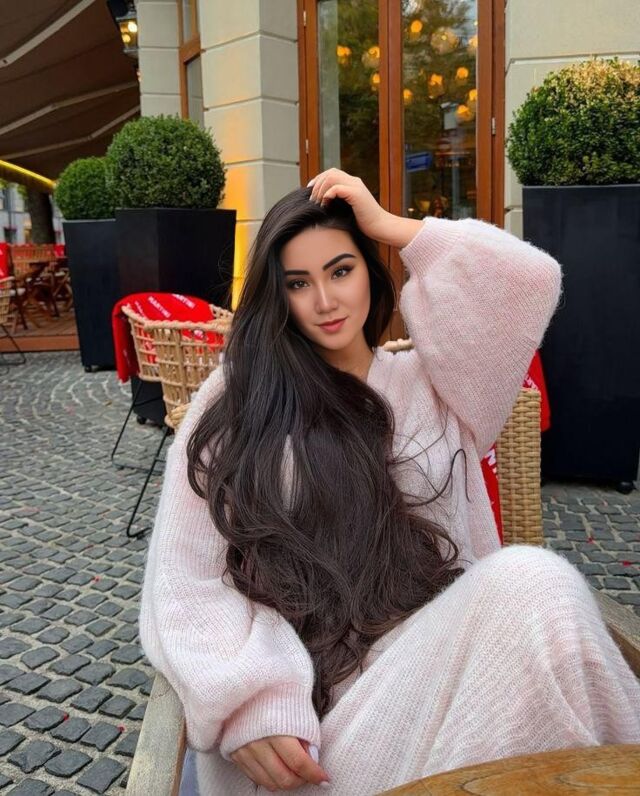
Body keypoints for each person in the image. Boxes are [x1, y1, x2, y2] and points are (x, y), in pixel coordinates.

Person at [139, 169, 640, 795]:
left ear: (372, 275)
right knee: (532, 583)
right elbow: (185, 579)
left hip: (443, 683)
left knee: (536, 587)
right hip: (311, 738)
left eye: (341, 270)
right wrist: (249, 699)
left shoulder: (441, 388)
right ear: (277, 296)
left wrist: (393, 227)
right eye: (299, 283)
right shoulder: (242, 398)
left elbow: (528, 280)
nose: (325, 300)